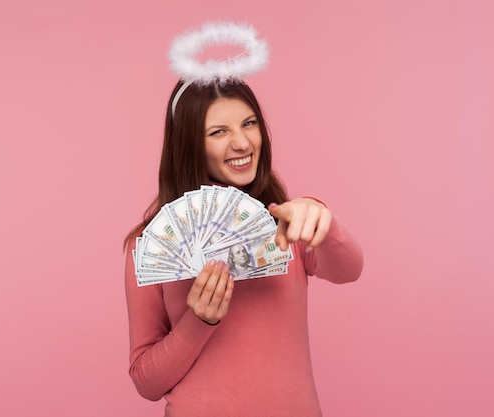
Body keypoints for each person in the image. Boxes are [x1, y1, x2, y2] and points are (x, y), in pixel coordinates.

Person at [123, 22, 363, 417]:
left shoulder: (286, 223)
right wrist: (198, 320)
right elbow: (146, 382)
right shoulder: (147, 246)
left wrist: (322, 218)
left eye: (249, 123)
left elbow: (350, 269)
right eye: (219, 131)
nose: (242, 142)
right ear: (188, 145)